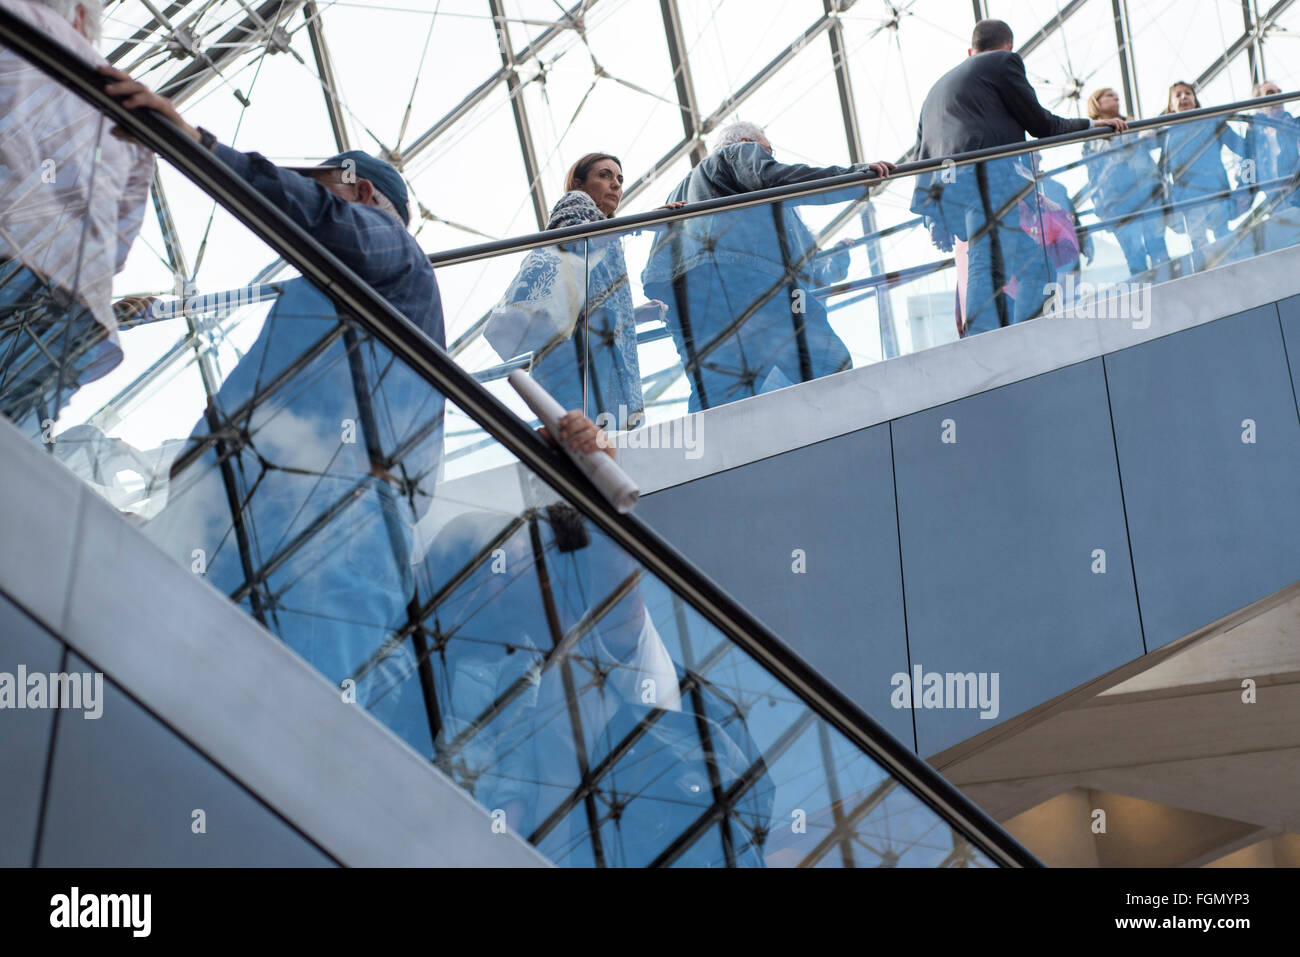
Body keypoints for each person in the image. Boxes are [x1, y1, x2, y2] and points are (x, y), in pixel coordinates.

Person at [98, 66, 448, 727]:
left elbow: (319, 217)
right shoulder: (353, 306)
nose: (319, 202)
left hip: (322, 529)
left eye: (332, 191)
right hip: (300, 523)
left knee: (276, 724)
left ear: (363, 193)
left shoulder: (395, 248)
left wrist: (195, 142)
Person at [640, 121, 893, 412]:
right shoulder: (738, 152)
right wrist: (852, 177)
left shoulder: (680, 191)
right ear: (747, 142)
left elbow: (810, 268)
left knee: (718, 398)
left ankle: (712, 457)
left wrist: (837, 256)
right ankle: (849, 438)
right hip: (745, 281)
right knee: (829, 364)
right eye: (768, 151)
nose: (769, 158)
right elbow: (774, 176)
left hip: (688, 300)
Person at [910, 19, 1126, 334]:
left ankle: (1024, 331)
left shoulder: (935, 90)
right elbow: (1043, 126)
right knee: (989, 259)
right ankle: (983, 337)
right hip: (989, 178)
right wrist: (1095, 126)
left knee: (1036, 262)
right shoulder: (1003, 62)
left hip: (949, 189)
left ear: (971, 50)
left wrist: (934, 218)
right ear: (1009, 46)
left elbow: (923, 154)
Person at [0, 0, 154, 435]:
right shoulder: (134, 119)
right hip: (64, 314)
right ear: (83, 17)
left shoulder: (10, 19)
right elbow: (116, 252)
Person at [515, 153, 661, 429]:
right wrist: (640, 223)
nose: (616, 184)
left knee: (585, 438)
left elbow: (594, 301)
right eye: (604, 175)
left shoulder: (606, 231)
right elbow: (573, 243)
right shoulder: (576, 202)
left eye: (619, 178)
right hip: (574, 354)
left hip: (585, 349)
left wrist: (640, 314)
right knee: (579, 437)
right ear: (579, 184)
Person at [1157, 81, 1248, 270]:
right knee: (1198, 241)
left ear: (1195, 101)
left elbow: (1241, 147)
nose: (1184, 97)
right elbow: (1162, 171)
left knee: (1222, 235)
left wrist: (1245, 183)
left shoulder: (1212, 122)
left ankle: (1233, 268)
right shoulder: (1167, 133)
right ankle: (1211, 271)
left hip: (1217, 192)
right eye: (1178, 95)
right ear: (1171, 106)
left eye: (1188, 93)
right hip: (1189, 199)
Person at [1081, 87, 1169, 278]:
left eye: (1118, 96)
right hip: (1118, 202)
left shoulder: (1132, 125)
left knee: (1158, 248)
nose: (1116, 99)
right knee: (1135, 256)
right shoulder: (1091, 139)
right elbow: (1097, 175)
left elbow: (1156, 144)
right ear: (1097, 102)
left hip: (1145, 191)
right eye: (1109, 95)